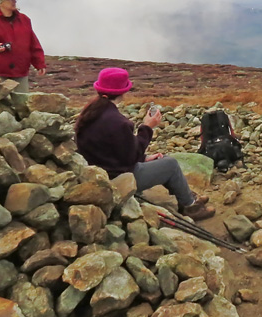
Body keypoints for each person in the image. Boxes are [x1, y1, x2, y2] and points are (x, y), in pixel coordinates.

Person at [74, 67, 215, 221]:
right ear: (123, 91)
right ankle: (190, 206)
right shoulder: (118, 122)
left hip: (101, 172)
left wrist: (144, 157)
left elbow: (115, 150)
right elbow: (130, 157)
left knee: (160, 160)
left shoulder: (89, 112)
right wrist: (147, 127)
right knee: (171, 164)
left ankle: (186, 195)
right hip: (119, 178)